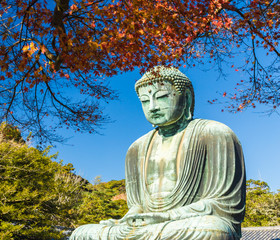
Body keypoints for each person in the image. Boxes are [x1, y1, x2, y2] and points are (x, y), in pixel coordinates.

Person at [70, 66, 246, 240]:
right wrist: (128, 220)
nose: (152, 107)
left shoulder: (215, 133)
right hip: (149, 228)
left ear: (187, 98)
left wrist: (167, 216)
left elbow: (225, 205)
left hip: (188, 224)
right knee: (82, 233)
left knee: (213, 231)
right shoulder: (136, 148)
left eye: (161, 97)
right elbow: (137, 205)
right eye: (145, 101)